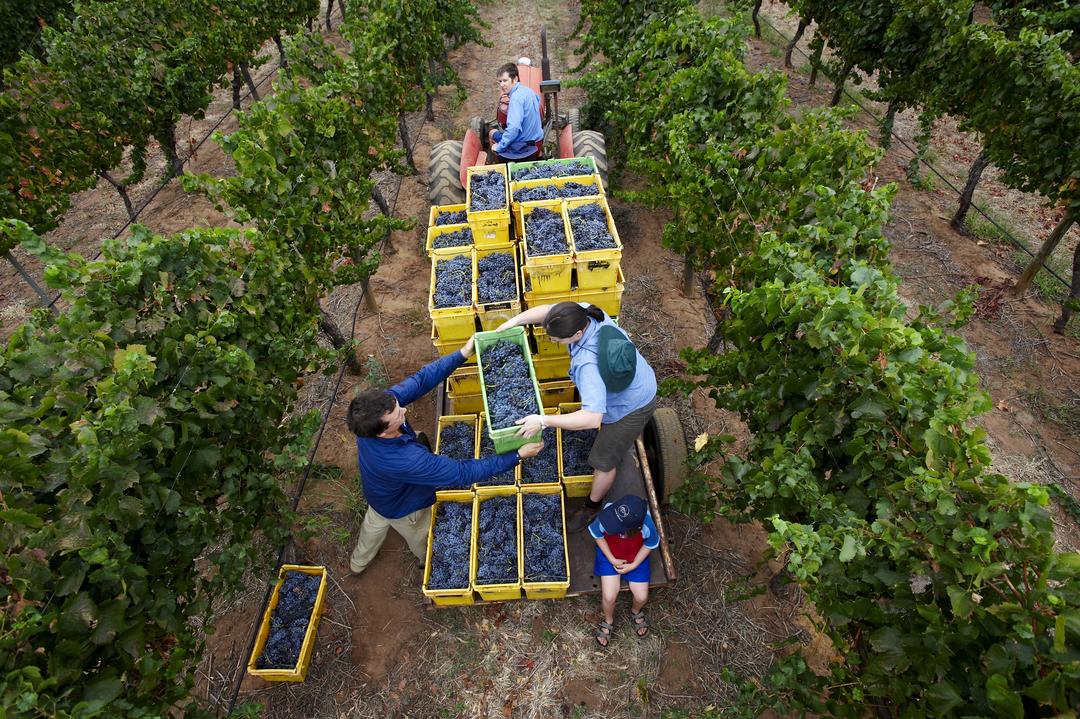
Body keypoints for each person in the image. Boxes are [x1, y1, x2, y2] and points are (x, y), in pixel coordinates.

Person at [346, 335, 543, 575]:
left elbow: (421, 380)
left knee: (375, 520)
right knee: (420, 534)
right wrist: (517, 455)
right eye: (398, 415)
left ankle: (358, 562)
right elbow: (462, 472)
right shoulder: (408, 460)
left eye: (398, 406)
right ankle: (423, 560)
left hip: (377, 491)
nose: (405, 410)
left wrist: (462, 353)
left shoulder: (370, 418)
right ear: (382, 433)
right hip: (404, 507)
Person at [497, 302, 657, 530]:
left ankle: (591, 507)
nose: (553, 341)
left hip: (631, 406)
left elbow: (592, 419)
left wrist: (543, 420)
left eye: (557, 340)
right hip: (640, 378)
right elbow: (549, 311)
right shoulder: (586, 313)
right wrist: (516, 321)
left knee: (602, 460)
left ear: (578, 334)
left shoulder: (587, 364)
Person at [588, 495, 659, 647]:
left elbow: (650, 544)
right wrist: (611, 558)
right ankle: (608, 620)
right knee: (608, 596)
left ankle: (635, 610)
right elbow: (597, 534)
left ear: (635, 528)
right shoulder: (608, 514)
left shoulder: (647, 525)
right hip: (610, 555)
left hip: (635, 557)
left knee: (641, 596)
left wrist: (634, 565)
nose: (610, 525)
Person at [489, 62, 543, 163]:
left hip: (522, 145)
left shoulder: (515, 98)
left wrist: (500, 146)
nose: (501, 85)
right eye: (500, 81)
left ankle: (499, 164)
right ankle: (540, 156)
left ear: (515, 79)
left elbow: (513, 129)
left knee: (492, 133)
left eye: (505, 80)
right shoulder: (530, 92)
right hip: (537, 141)